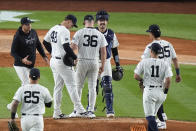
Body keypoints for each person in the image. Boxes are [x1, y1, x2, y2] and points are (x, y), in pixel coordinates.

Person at [43, 14, 86, 119]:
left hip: (54, 61)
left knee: (58, 87)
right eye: (72, 24)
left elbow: (45, 42)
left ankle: (56, 112)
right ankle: (80, 110)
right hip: (62, 63)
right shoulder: (64, 30)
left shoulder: (54, 28)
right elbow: (66, 46)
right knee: (72, 85)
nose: (71, 26)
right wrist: (75, 57)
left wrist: (52, 52)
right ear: (69, 21)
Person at [141, 24, 182, 129]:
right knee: (159, 96)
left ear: (152, 34)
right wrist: (178, 73)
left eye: (149, 33)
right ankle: (161, 116)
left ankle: (162, 120)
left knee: (153, 95)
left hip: (156, 76)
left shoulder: (150, 46)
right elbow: (175, 59)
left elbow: (144, 62)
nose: (149, 35)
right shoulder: (168, 44)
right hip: (167, 75)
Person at [8, 17, 49, 117]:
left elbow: (38, 45)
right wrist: (22, 59)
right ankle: (15, 106)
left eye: (30, 23)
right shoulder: (18, 36)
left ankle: (11, 105)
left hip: (31, 64)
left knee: (25, 85)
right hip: (20, 65)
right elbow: (12, 52)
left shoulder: (33, 32)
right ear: (22, 25)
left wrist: (44, 56)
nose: (29, 25)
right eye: (27, 24)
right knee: (27, 84)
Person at [70, 15, 107, 118]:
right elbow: (103, 52)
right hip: (95, 63)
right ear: (93, 23)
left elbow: (73, 47)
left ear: (84, 22)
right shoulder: (99, 34)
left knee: (78, 86)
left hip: (82, 62)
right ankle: (90, 111)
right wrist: (102, 65)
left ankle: (76, 110)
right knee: (92, 87)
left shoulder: (80, 32)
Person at [134, 43, 173, 131]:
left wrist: (142, 80)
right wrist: (165, 92)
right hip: (161, 93)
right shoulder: (165, 63)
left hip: (149, 92)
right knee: (152, 116)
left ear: (151, 51)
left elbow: (136, 76)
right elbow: (168, 80)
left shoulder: (144, 62)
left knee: (149, 117)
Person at [94, 10, 123, 118]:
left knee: (108, 85)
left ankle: (110, 110)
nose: (102, 22)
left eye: (104, 20)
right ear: (97, 22)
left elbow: (115, 50)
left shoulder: (111, 33)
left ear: (107, 22)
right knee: (93, 86)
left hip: (106, 62)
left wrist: (118, 64)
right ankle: (90, 108)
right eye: (101, 20)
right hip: (94, 62)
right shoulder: (92, 32)